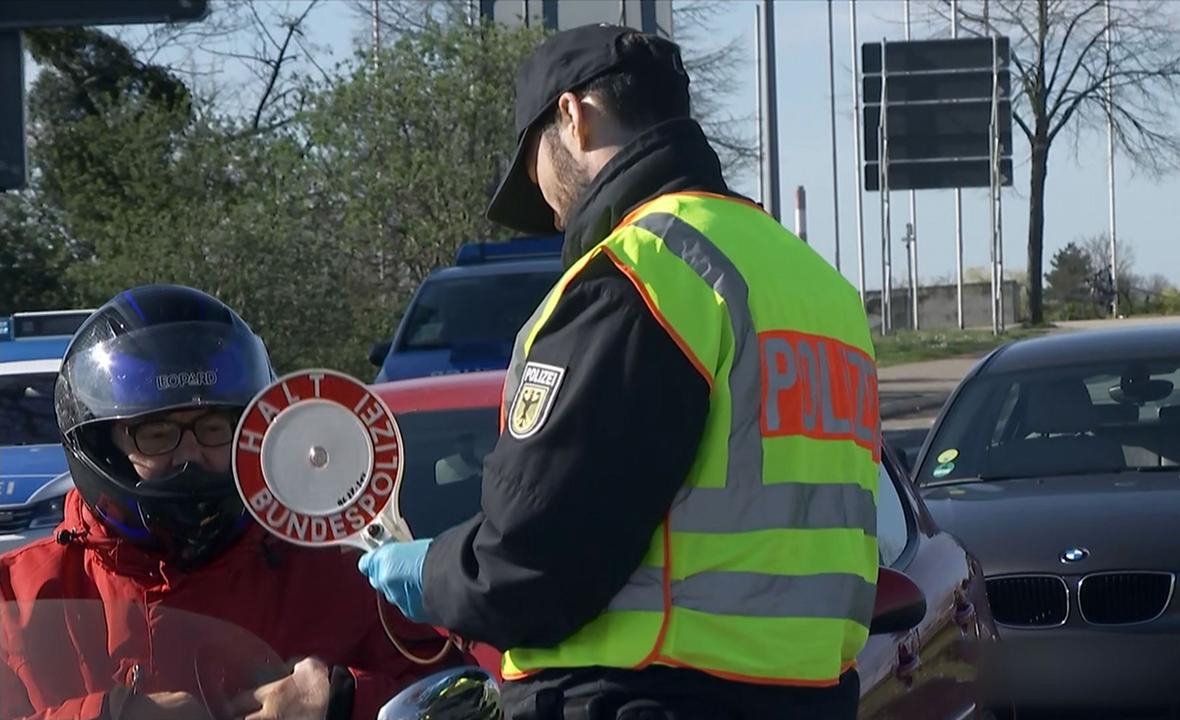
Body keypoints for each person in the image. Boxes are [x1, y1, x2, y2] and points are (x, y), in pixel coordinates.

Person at [359, 24, 881, 720]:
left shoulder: (642, 275)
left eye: (533, 166)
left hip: (643, 695)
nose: (546, 204)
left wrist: (434, 573)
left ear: (571, 117)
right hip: (810, 699)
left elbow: (534, 561)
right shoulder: (815, 285)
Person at [0, 285, 478, 720]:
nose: (190, 454)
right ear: (105, 445)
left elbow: (462, 698)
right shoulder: (19, 598)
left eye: (213, 429)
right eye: (157, 433)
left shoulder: (342, 572)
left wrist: (345, 700)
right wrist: (103, 717)